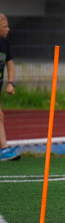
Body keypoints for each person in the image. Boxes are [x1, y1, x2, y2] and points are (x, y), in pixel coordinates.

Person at [0, 13, 21, 161]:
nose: (8, 29)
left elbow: (10, 64)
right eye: (5, 26)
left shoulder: (5, 44)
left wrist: (10, 82)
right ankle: (4, 149)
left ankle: (4, 149)